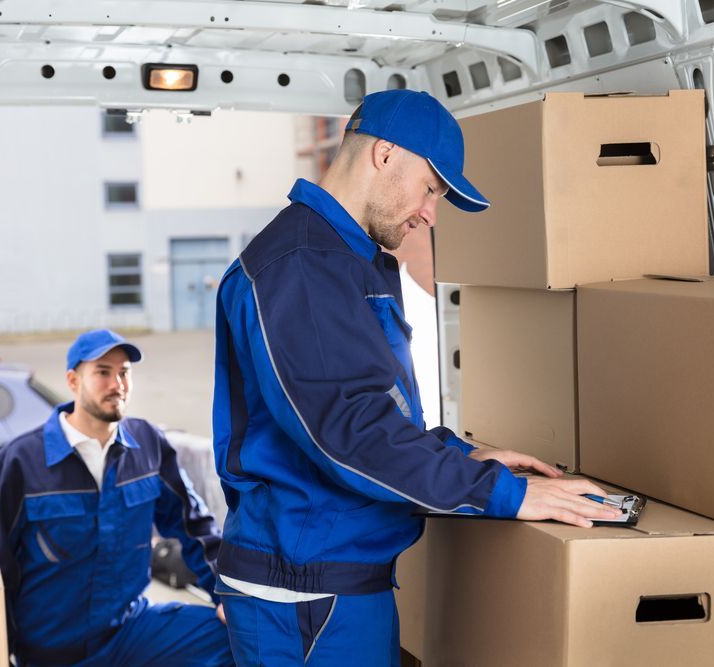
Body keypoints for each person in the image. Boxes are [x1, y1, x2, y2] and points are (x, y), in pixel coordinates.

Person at [211, 89, 620, 665]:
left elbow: (375, 413)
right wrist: (507, 493)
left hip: (338, 575)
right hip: (305, 591)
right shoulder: (303, 266)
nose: (430, 213)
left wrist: (462, 457)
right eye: (430, 188)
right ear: (383, 154)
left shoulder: (349, 260)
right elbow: (350, 434)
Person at [0, 329, 234, 667]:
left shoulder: (148, 445)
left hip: (129, 632)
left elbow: (194, 526)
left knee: (239, 636)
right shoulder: (22, 461)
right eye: (103, 372)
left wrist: (226, 595)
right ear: (73, 381)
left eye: (124, 372)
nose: (117, 384)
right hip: (52, 649)